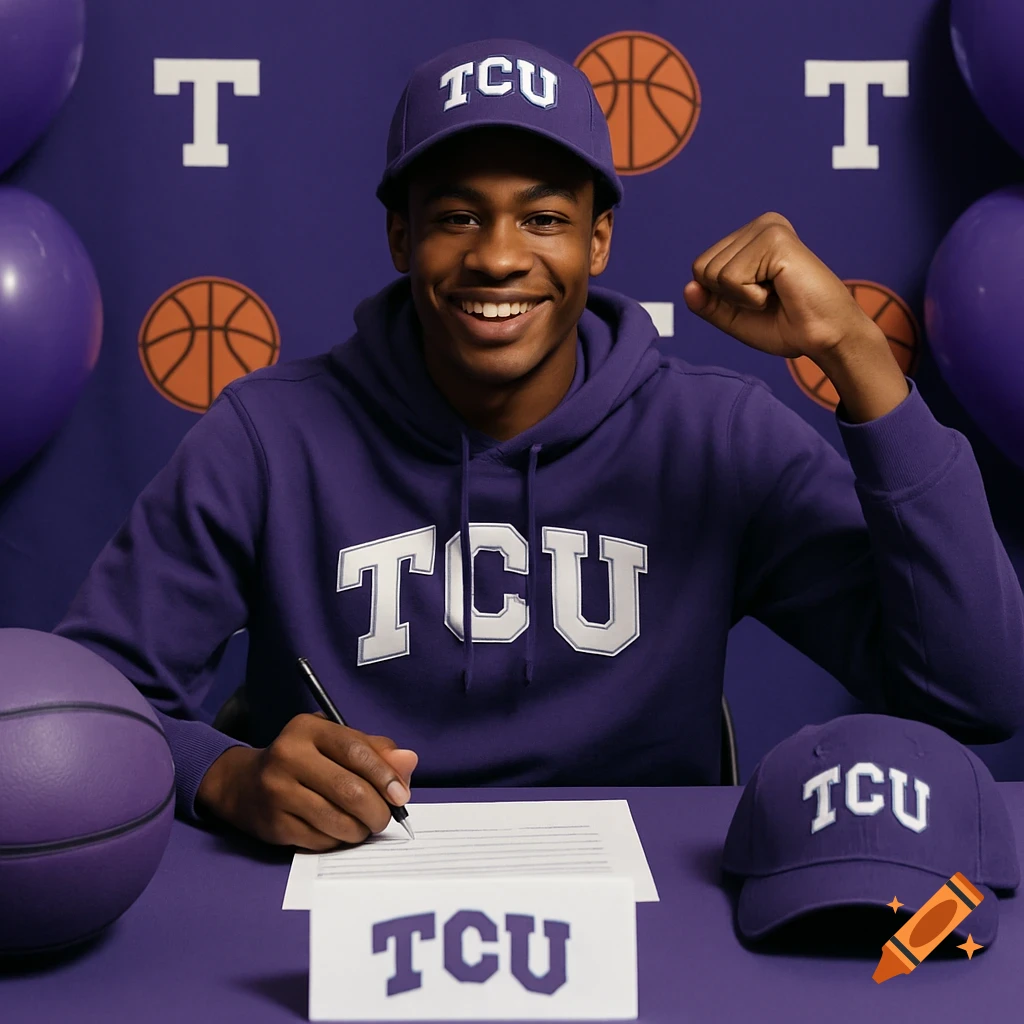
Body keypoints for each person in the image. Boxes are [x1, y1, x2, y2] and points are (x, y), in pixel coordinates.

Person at [55, 38, 1024, 852]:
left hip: (651, 912)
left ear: (597, 242)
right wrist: (225, 775)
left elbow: (975, 693)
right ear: (400, 239)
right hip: (342, 890)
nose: (498, 255)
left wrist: (856, 352)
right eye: (456, 216)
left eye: (544, 217)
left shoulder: (711, 436)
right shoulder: (268, 437)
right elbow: (78, 713)